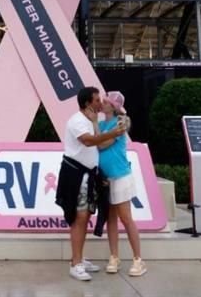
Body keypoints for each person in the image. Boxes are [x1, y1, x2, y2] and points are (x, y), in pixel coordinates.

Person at [56, 86, 127, 281]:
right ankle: (75, 264)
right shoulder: (77, 121)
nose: (100, 103)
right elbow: (88, 142)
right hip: (76, 175)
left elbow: (98, 143)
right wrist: (114, 133)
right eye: (97, 100)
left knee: (84, 216)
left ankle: (79, 258)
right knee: (79, 218)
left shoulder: (90, 120)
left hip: (88, 175)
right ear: (88, 103)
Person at [96, 91, 146, 277]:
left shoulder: (119, 124)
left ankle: (138, 259)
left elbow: (102, 144)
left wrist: (96, 131)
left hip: (121, 176)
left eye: (106, 102)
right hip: (105, 178)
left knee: (125, 217)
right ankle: (114, 257)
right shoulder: (101, 124)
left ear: (113, 107)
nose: (103, 103)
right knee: (111, 218)